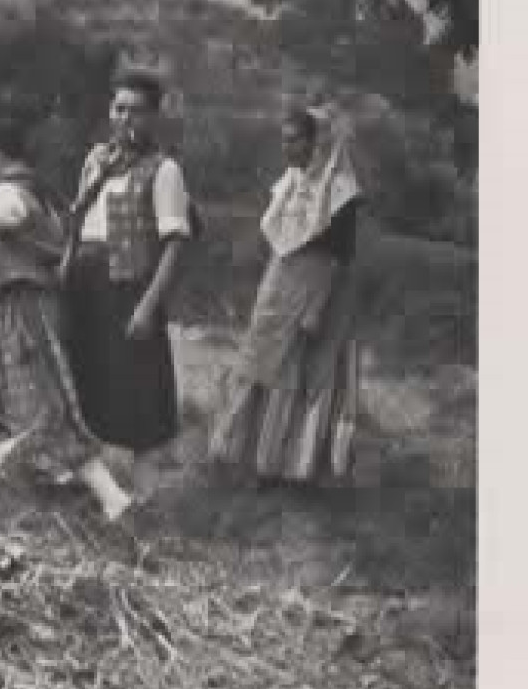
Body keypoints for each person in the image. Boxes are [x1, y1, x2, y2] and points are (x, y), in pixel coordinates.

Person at [0, 115, 136, 521]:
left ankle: (112, 496)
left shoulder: (12, 193)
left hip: (28, 309)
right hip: (11, 307)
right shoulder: (30, 189)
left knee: (43, 405)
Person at [209, 105, 364, 484]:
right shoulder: (292, 181)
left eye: (294, 139)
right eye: (283, 138)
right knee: (254, 361)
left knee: (286, 373)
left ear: (317, 141)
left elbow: (338, 257)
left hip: (312, 286)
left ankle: (271, 465)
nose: (286, 147)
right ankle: (231, 453)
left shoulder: (341, 192)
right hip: (279, 280)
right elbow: (283, 238)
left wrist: (315, 308)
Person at [61, 70, 194, 461]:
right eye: (119, 109)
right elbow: (78, 222)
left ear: (153, 117)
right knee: (87, 380)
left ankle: (141, 486)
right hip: (85, 282)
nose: (125, 119)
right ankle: (97, 477)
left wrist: (147, 308)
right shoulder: (95, 161)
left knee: (133, 390)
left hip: (128, 287)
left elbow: (174, 246)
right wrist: (66, 268)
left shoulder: (163, 169)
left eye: (136, 112)